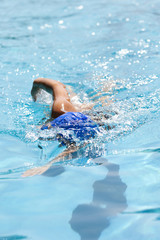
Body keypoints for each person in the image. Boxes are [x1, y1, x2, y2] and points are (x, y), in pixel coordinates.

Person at [23, 78, 103, 177]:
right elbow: (54, 85)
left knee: (102, 109)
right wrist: (34, 92)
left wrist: (49, 164)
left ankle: (106, 87)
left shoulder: (59, 110)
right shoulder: (61, 107)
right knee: (96, 105)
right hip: (83, 116)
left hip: (90, 124)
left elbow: (73, 149)